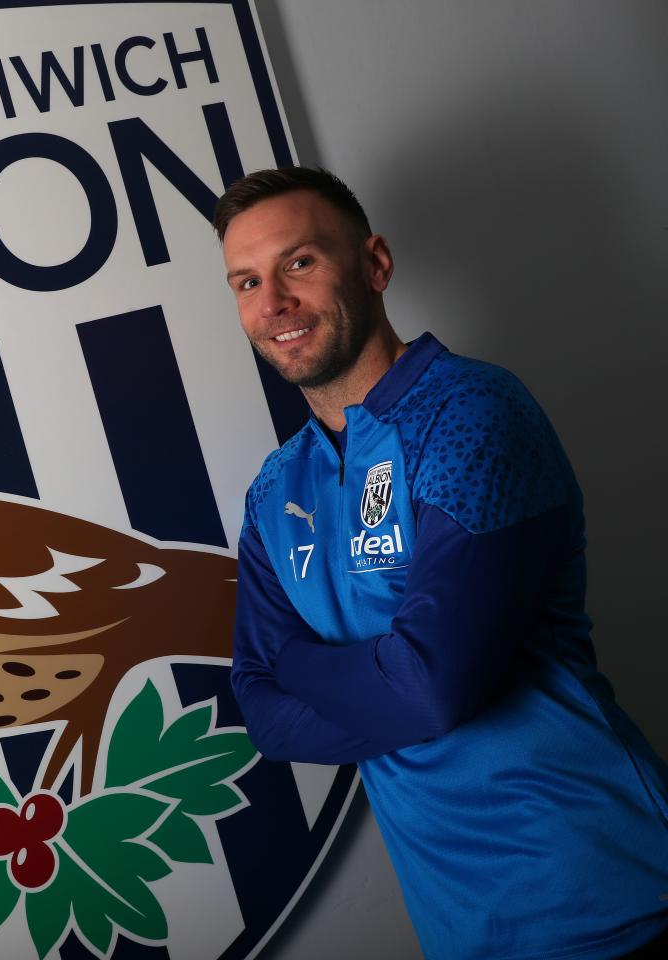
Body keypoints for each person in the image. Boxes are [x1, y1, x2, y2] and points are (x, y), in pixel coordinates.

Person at [218, 166, 668, 960]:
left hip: (609, 896)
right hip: (461, 930)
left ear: (376, 265)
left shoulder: (474, 416)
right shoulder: (273, 492)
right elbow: (261, 711)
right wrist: (381, 678)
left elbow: (427, 690)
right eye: (247, 281)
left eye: (299, 263)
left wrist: (296, 658)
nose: (274, 302)